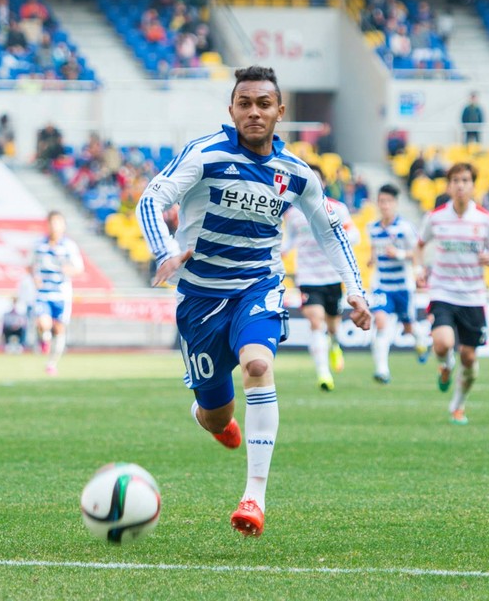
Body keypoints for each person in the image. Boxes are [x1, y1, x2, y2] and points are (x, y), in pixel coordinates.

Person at [136, 66, 370, 538]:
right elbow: (150, 199)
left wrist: (355, 289)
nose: (254, 112)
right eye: (245, 103)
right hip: (199, 299)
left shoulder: (297, 174)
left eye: (264, 104)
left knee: (258, 367)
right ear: (232, 110)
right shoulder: (204, 154)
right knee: (215, 414)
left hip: (258, 287)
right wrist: (164, 250)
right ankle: (213, 417)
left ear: (280, 112)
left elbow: (330, 231)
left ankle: (254, 497)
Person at [414, 163, 489, 425]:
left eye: (465, 180)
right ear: (449, 185)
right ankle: (445, 364)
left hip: (473, 297)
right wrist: (419, 268)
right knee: (442, 343)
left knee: (470, 358)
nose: (460, 185)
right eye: (455, 180)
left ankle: (458, 404)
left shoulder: (486, 220)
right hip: (442, 291)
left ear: (473, 185)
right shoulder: (435, 217)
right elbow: (419, 246)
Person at [283, 163, 361, 391]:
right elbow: (291, 239)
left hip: (332, 276)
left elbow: (354, 234)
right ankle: (324, 374)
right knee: (316, 322)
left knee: (333, 327)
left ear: (323, 183)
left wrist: (337, 236)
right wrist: (284, 249)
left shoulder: (336, 209)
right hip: (307, 276)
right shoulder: (293, 213)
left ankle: (335, 345)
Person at [367, 184, 429, 384]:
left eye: (388, 202)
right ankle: (382, 370)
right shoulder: (373, 228)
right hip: (381, 284)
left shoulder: (405, 228)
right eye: (381, 201)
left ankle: (421, 341)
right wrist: (371, 259)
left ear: (395, 203)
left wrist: (400, 254)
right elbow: (374, 251)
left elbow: (418, 253)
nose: (384, 205)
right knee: (381, 322)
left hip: (402, 286)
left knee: (408, 327)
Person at [30, 210, 84, 375]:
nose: (55, 226)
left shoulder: (68, 246)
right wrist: (35, 277)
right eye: (52, 223)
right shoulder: (39, 245)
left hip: (62, 293)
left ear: (63, 226)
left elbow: (79, 268)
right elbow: (30, 265)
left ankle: (52, 363)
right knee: (43, 323)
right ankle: (44, 339)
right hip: (44, 292)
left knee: (59, 329)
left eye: (58, 223)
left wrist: (70, 270)